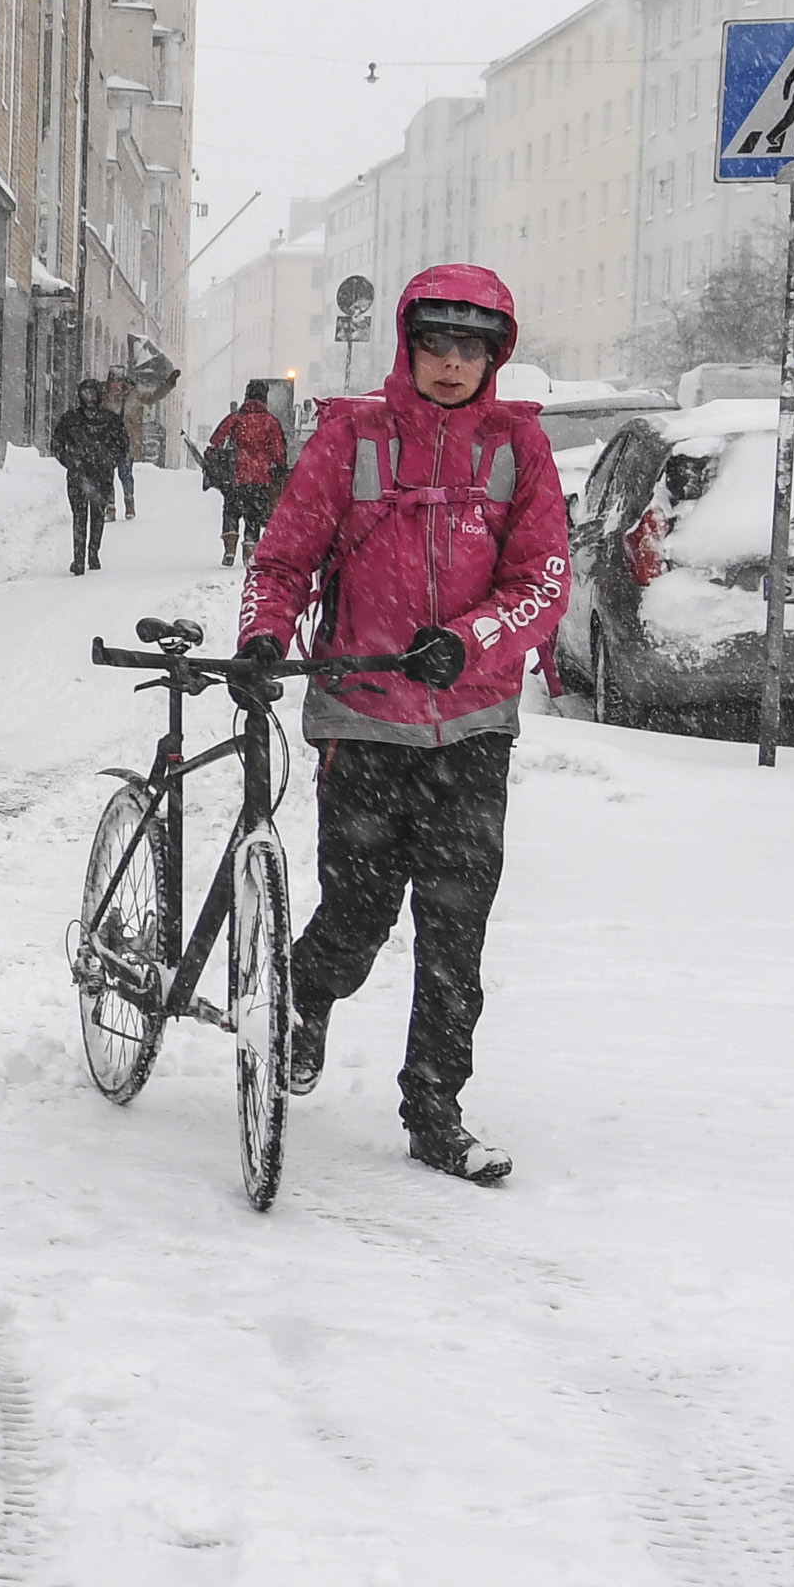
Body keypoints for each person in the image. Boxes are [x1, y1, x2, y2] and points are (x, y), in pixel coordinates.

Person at [235, 269, 571, 1186]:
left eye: (472, 347)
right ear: (407, 343)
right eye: (436, 343)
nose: (453, 363)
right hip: (364, 718)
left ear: (494, 354)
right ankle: (306, 998)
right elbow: (284, 557)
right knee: (358, 913)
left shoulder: (519, 448)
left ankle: (435, 1112)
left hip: (471, 727)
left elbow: (544, 581)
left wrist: (467, 643)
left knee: (455, 933)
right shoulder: (352, 438)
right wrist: (265, 635)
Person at [204, 382, 290, 568]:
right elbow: (278, 451)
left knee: (231, 510)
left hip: (235, 474)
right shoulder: (270, 421)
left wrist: (214, 459)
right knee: (253, 515)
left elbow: (215, 440)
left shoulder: (235, 418)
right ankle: (249, 551)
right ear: (264, 398)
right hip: (260, 476)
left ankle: (229, 548)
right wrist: (280, 466)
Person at [53, 377, 131, 574]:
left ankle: (93, 554)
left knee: (97, 516)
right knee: (79, 516)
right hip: (78, 475)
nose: (89, 397)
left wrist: (109, 462)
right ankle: (78, 559)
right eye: (85, 393)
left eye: (92, 392)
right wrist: (70, 462)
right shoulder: (71, 418)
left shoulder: (110, 419)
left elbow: (123, 445)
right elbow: (57, 444)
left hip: (100, 475)